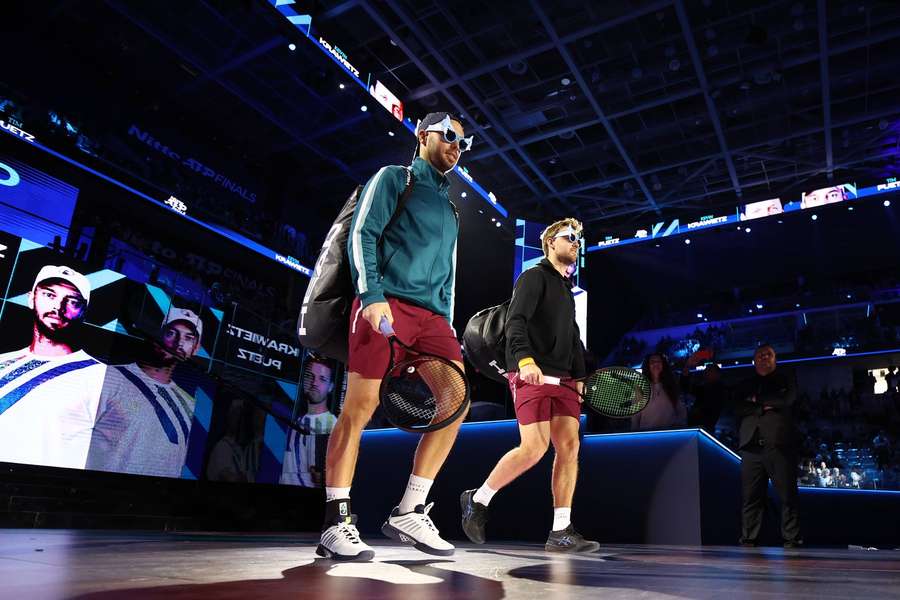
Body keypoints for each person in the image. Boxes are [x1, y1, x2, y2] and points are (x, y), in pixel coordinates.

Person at [317, 111, 472, 561]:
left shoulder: (450, 209)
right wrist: (371, 295)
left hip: (434, 320)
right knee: (359, 408)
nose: (456, 147)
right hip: (387, 303)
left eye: (463, 143)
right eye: (449, 136)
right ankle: (335, 521)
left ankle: (410, 509)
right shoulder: (395, 178)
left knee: (455, 403)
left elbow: (448, 275)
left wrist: (446, 321)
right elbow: (363, 233)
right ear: (423, 135)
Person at [460, 218, 598, 553]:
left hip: (565, 380)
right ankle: (478, 499)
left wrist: (580, 377)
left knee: (569, 448)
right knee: (534, 448)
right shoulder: (533, 276)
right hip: (531, 373)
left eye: (578, 239)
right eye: (569, 237)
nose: (576, 243)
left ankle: (561, 531)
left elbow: (573, 337)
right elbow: (516, 321)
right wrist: (524, 360)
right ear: (551, 242)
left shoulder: (566, 290)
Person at [0, 265, 106, 469]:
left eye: (72, 301)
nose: (58, 306)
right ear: (31, 299)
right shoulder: (3, 361)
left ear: (83, 312)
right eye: (49, 295)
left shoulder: (101, 376)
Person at [86, 307, 203, 478]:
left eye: (189, 338)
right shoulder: (111, 376)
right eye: (171, 333)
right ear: (157, 335)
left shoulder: (189, 403)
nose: (179, 342)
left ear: (196, 348)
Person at [733, 344, 803, 547]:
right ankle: (749, 538)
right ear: (754, 360)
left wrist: (755, 401)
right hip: (750, 446)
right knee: (750, 497)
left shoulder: (786, 379)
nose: (764, 358)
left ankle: (792, 538)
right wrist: (766, 405)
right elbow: (737, 407)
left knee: (787, 495)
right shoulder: (745, 383)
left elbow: (786, 400)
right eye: (760, 355)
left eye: (768, 355)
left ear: (775, 359)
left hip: (778, 445)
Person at [280, 357, 337, 487]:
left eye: (322, 379)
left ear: (330, 387)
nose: (314, 383)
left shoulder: (332, 426)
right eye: (310, 377)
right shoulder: (297, 422)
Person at [631, 353, 686, 431]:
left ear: (663, 365)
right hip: (647, 433)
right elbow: (635, 416)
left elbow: (681, 411)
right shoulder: (640, 387)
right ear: (647, 366)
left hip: (669, 433)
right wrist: (635, 433)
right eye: (652, 361)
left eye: (659, 361)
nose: (656, 363)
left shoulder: (671, 386)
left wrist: (679, 427)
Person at [683, 358, 727, 434]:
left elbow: (688, 388)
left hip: (701, 427)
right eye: (705, 371)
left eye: (708, 371)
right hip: (703, 427)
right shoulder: (712, 387)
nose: (705, 373)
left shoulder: (714, 389)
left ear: (717, 374)